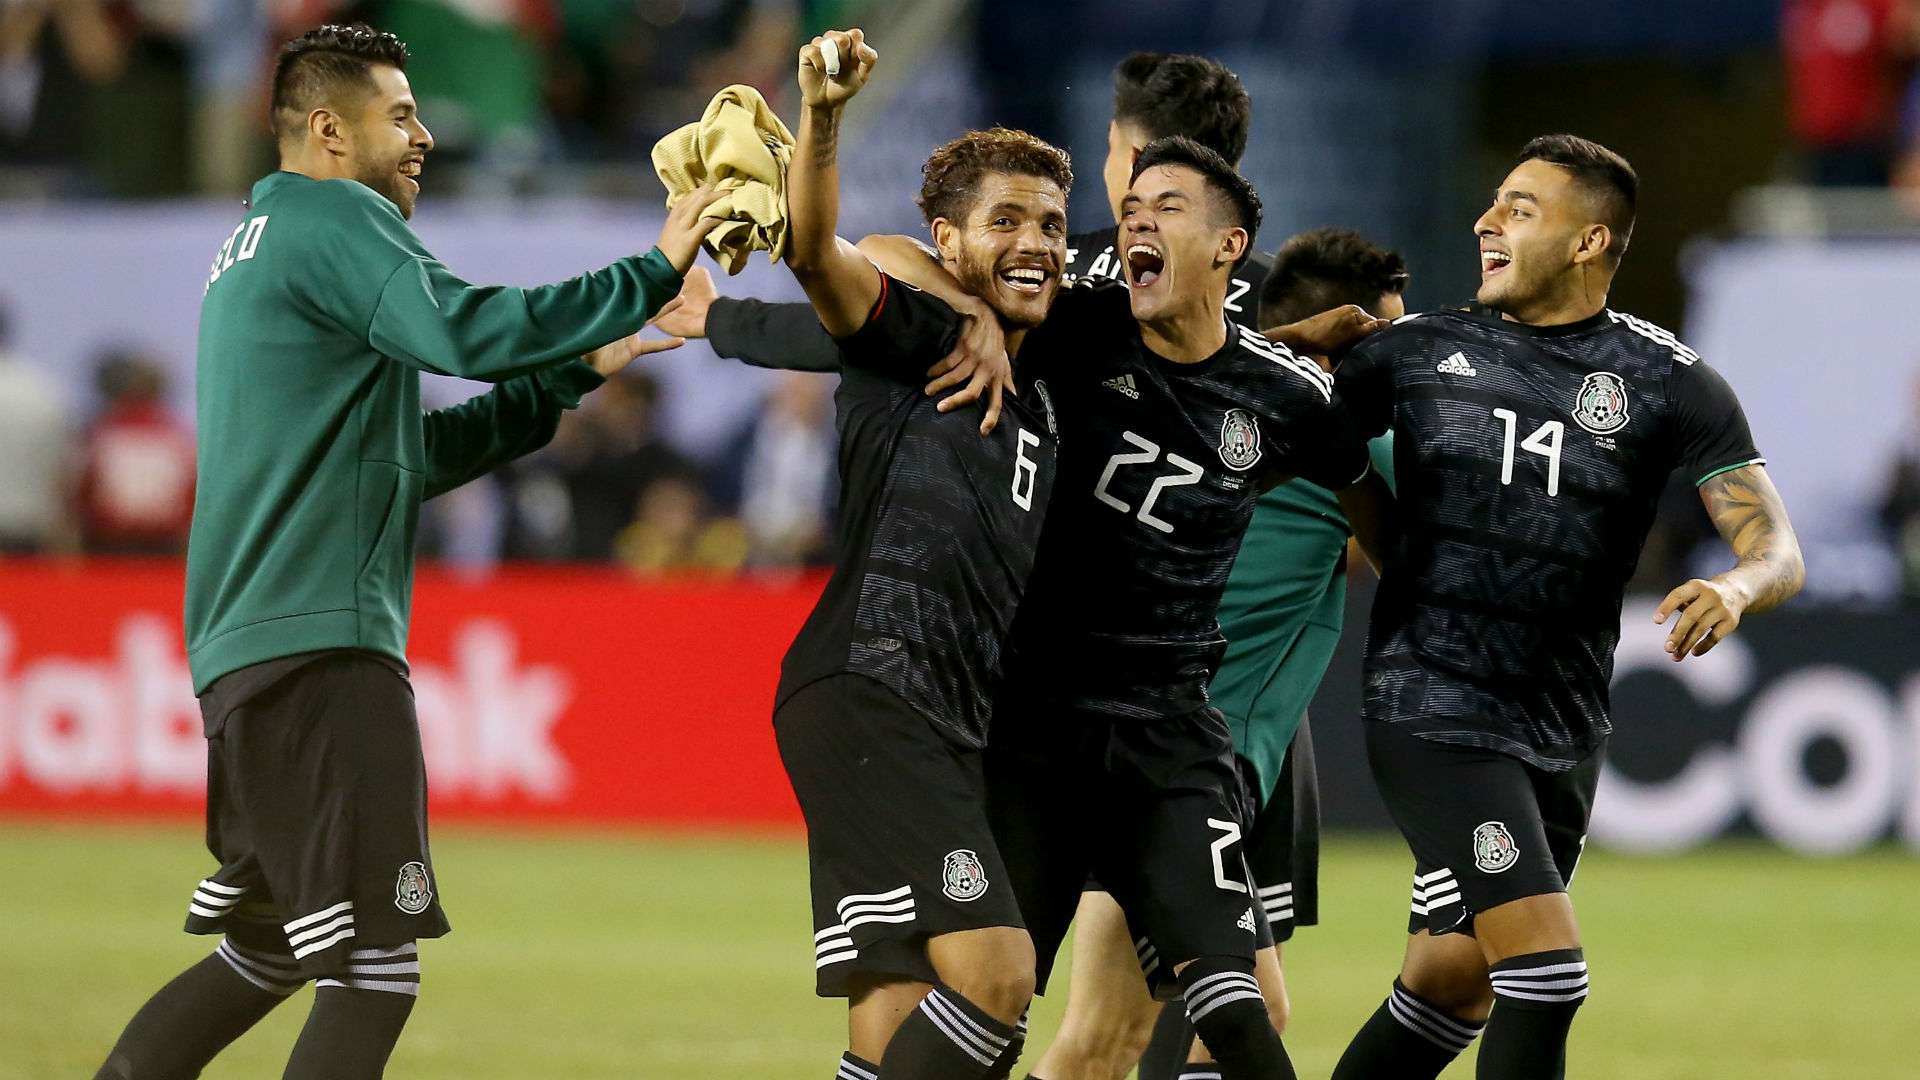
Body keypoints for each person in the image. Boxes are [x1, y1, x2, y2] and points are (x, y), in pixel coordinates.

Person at [93, 22, 714, 1080]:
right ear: (329, 131)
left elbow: (408, 455)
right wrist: (652, 269)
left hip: (256, 647)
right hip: (321, 647)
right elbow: (466, 330)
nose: (424, 135)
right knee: (374, 973)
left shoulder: (262, 239)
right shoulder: (336, 217)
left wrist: (571, 374)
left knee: (270, 950)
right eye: (401, 114)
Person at [1328, 134, 1805, 1080]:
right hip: (1435, 710)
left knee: (1450, 984)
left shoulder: (1670, 382)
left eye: (1519, 208)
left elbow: (1777, 547)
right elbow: (1311, 449)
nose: (1485, 222)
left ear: (1589, 242)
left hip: (1562, 727)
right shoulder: (1413, 356)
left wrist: (1735, 586)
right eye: (1494, 203)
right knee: (1544, 976)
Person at [723, 28, 1072, 1080]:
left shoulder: (1043, 395)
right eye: (1003, 220)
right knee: (1001, 977)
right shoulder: (915, 336)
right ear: (945, 239)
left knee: (892, 1014)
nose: (1036, 242)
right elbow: (829, 252)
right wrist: (823, 119)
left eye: (1051, 223)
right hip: (875, 687)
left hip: (945, 715)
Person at [1127, 228, 1408, 1080]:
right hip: (1182, 759)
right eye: (1383, 343)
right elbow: (1454, 551)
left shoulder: (1191, 410)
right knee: (1116, 1035)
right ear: (1339, 343)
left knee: (1215, 1016)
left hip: (1136, 736)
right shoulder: (1346, 440)